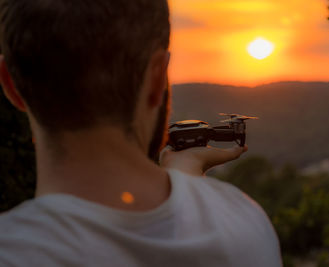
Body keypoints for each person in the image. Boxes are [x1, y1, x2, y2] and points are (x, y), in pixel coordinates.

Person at [0, 0, 282, 266]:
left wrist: (183, 168)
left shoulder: (13, 251)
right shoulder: (247, 224)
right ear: (159, 78)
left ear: (11, 86)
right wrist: (184, 175)